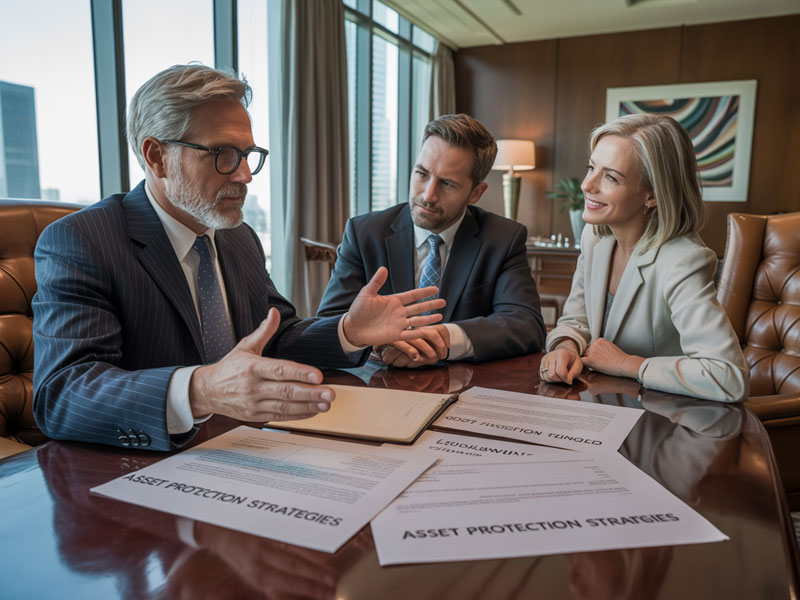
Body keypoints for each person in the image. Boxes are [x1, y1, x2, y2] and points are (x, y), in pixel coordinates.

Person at [32, 64, 445, 451]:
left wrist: (348, 331)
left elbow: (275, 336)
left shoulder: (238, 236)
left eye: (248, 154)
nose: (245, 174)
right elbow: (63, 393)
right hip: (141, 472)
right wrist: (202, 390)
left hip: (248, 448)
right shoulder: (82, 240)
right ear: (157, 156)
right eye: (223, 154)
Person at [539, 113, 748, 402]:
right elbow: (577, 320)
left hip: (661, 423)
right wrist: (565, 346)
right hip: (600, 411)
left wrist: (628, 364)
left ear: (651, 195)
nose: (587, 185)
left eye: (611, 177)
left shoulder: (684, 260)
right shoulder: (594, 237)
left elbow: (728, 376)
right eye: (591, 168)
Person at [317, 113, 546, 366]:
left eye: (447, 183)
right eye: (422, 174)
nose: (428, 195)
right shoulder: (364, 234)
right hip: (378, 380)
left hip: (464, 386)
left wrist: (443, 339)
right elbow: (330, 321)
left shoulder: (503, 239)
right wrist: (378, 339)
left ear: (475, 193)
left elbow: (526, 323)